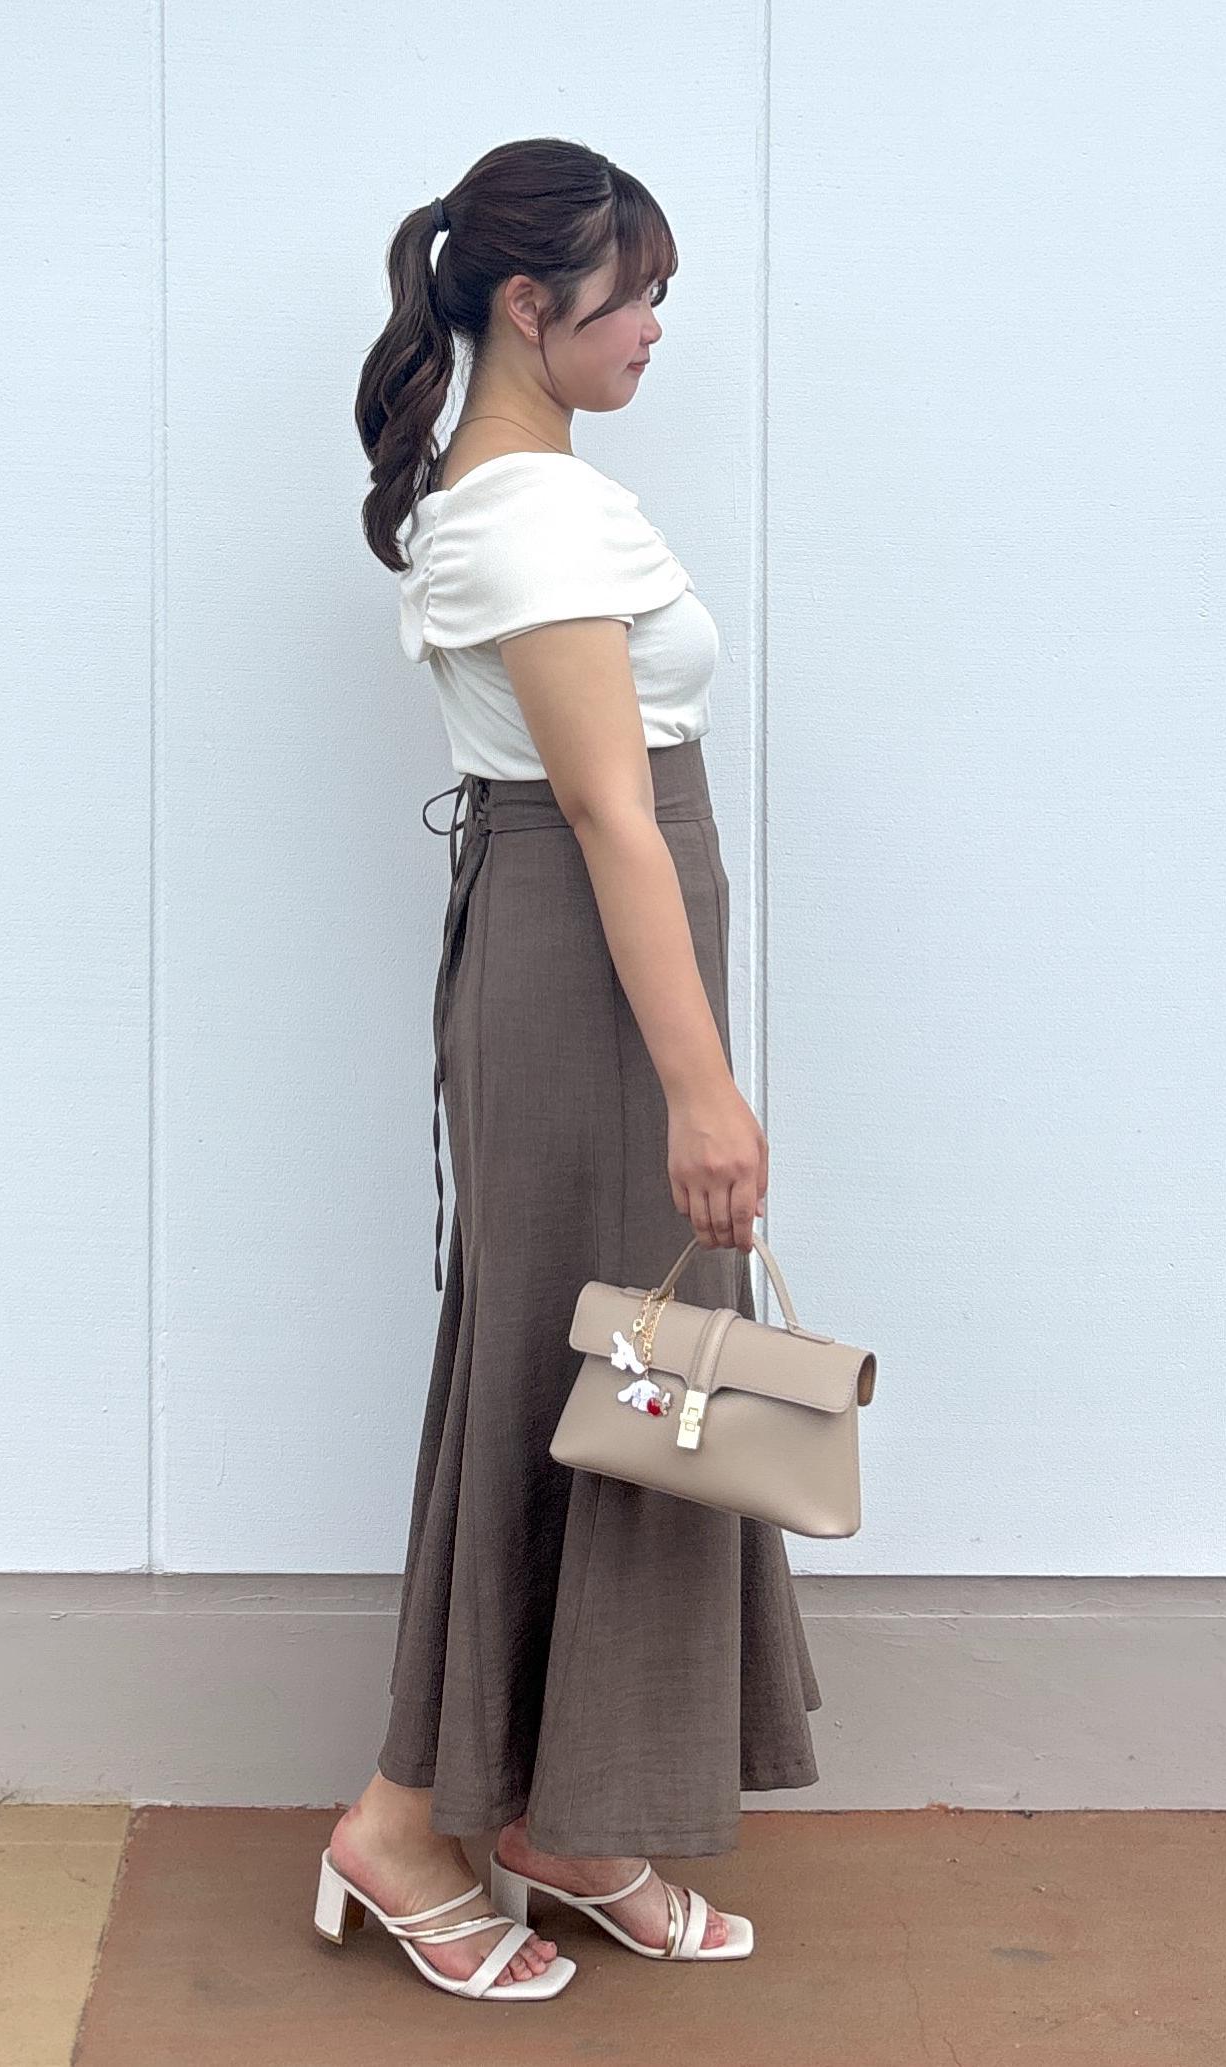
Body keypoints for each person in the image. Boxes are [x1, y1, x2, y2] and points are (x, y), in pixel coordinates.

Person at [320, 137, 822, 2003]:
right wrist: (703, 1088)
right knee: (586, 1365)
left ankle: (570, 1817)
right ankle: (398, 1825)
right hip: (588, 971)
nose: (657, 328)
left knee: (642, 1374)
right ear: (530, 304)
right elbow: (610, 811)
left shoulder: (547, 492)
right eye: (636, 295)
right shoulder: (525, 513)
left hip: (607, 959)